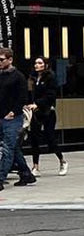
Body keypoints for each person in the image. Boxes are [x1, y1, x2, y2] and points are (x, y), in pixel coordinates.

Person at [0, 46, 36, 191]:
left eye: (2, 60)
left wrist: (14, 112)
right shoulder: (1, 75)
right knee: (13, 148)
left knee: (8, 148)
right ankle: (26, 174)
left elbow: (23, 97)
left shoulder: (18, 76)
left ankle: (0, 177)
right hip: (2, 116)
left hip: (12, 118)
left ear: (10, 59)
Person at [28, 57, 67, 177]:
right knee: (34, 138)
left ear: (45, 65)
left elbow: (51, 95)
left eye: (40, 63)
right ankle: (35, 166)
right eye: (35, 63)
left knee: (50, 138)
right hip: (35, 112)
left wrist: (38, 103)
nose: (37, 65)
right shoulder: (32, 78)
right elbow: (29, 92)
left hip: (47, 111)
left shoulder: (50, 77)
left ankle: (62, 160)